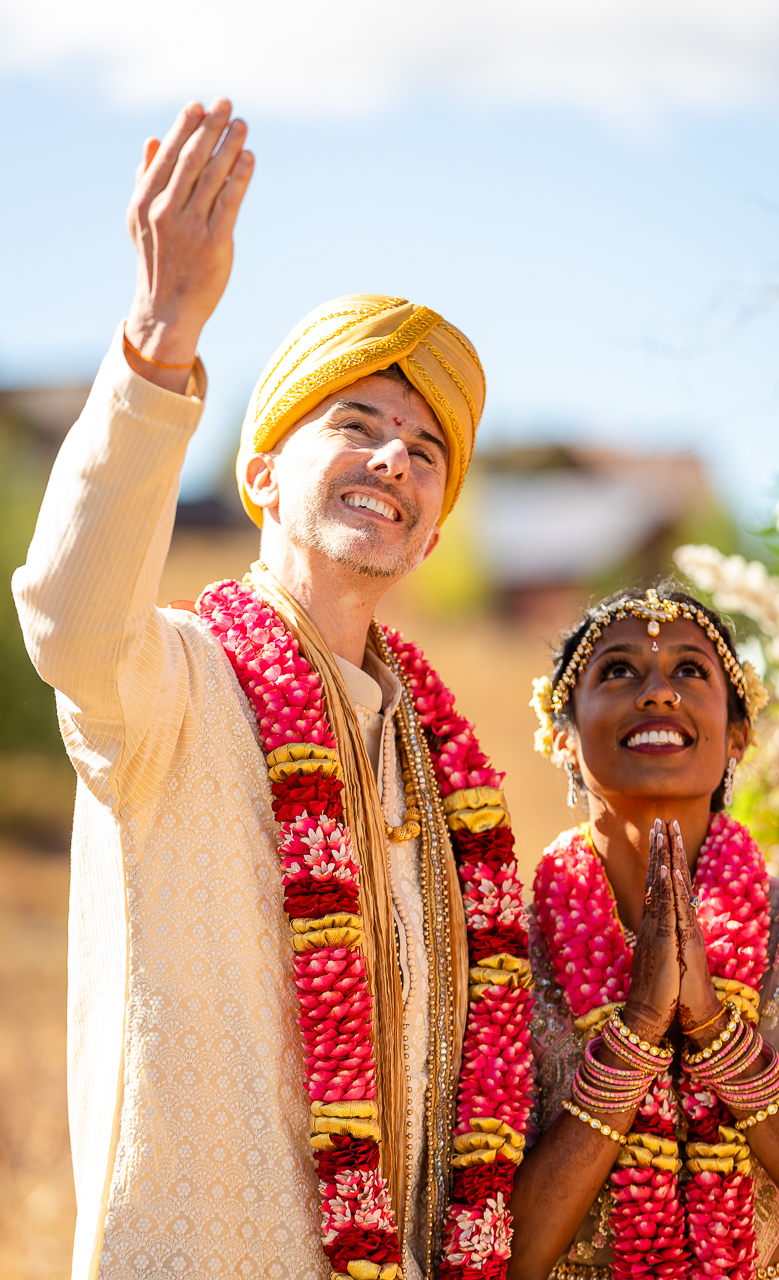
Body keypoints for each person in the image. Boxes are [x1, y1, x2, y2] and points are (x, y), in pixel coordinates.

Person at [12, 99, 534, 1280]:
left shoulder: (447, 777)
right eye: (355, 421)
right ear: (258, 473)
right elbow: (68, 612)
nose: (394, 456)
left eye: (424, 446)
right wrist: (159, 334)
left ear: (435, 525)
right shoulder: (170, 685)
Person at [508, 585, 779, 1280]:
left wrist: (718, 1039)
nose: (658, 692)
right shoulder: (499, 954)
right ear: (561, 737)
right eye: (617, 671)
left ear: (737, 735)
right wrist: (634, 1036)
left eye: (691, 670)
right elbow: (499, 1256)